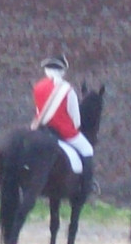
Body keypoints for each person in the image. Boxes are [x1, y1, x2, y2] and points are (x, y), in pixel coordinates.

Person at [31, 54, 94, 197]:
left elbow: (38, 111)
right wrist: (75, 127)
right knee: (88, 149)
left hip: (42, 131)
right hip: (64, 131)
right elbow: (75, 118)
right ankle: (87, 186)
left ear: (46, 70)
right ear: (62, 71)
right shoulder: (68, 89)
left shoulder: (37, 87)